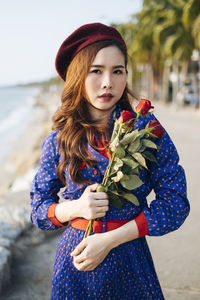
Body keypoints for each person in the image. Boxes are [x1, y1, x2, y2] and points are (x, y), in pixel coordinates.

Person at [30, 23, 190, 300]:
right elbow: (37, 207)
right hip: (75, 264)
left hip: (130, 260)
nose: (108, 82)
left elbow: (175, 204)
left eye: (118, 71)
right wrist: (75, 208)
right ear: (78, 76)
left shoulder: (147, 130)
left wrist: (110, 240)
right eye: (96, 71)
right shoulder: (60, 139)